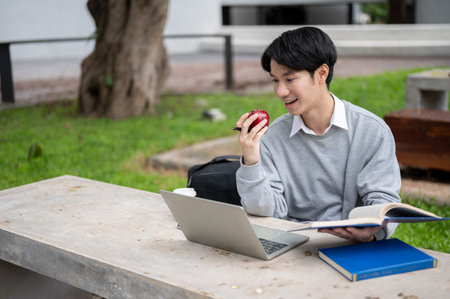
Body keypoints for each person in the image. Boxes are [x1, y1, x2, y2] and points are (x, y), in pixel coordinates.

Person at [235, 26, 401, 242]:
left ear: (322, 73)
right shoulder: (273, 136)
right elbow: (266, 209)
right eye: (275, 80)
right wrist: (251, 161)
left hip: (351, 246)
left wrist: (371, 234)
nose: (280, 91)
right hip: (291, 243)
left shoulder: (372, 131)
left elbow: (384, 202)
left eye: (290, 79)